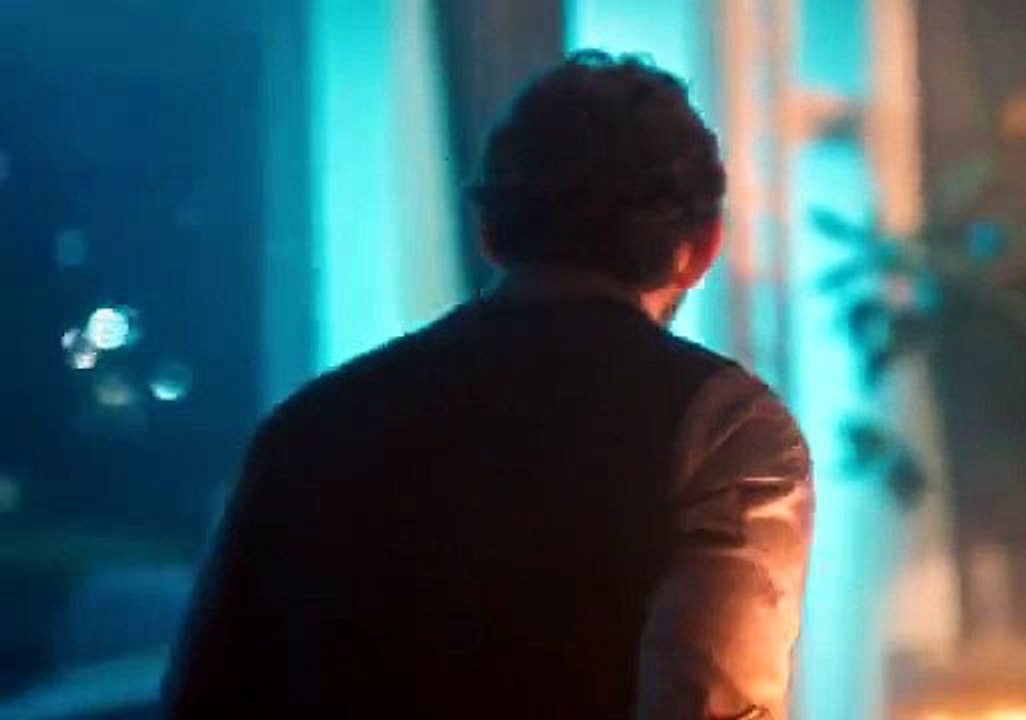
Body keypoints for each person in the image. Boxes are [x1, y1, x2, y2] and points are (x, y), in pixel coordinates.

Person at [163, 50, 813, 719]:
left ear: (490, 231)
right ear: (704, 247)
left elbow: (207, 694)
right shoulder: (726, 430)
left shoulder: (309, 427)